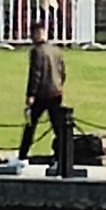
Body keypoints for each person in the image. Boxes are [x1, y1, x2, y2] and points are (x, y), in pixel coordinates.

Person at [18, 29, 68, 160]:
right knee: (57, 126)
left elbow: (35, 74)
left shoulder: (36, 51)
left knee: (31, 125)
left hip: (42, 94)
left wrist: (31, 94)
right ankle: (63, 154)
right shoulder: (56, 50)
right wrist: (59, 85)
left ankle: (22, 155)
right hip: (56, 92)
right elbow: (62, 71)